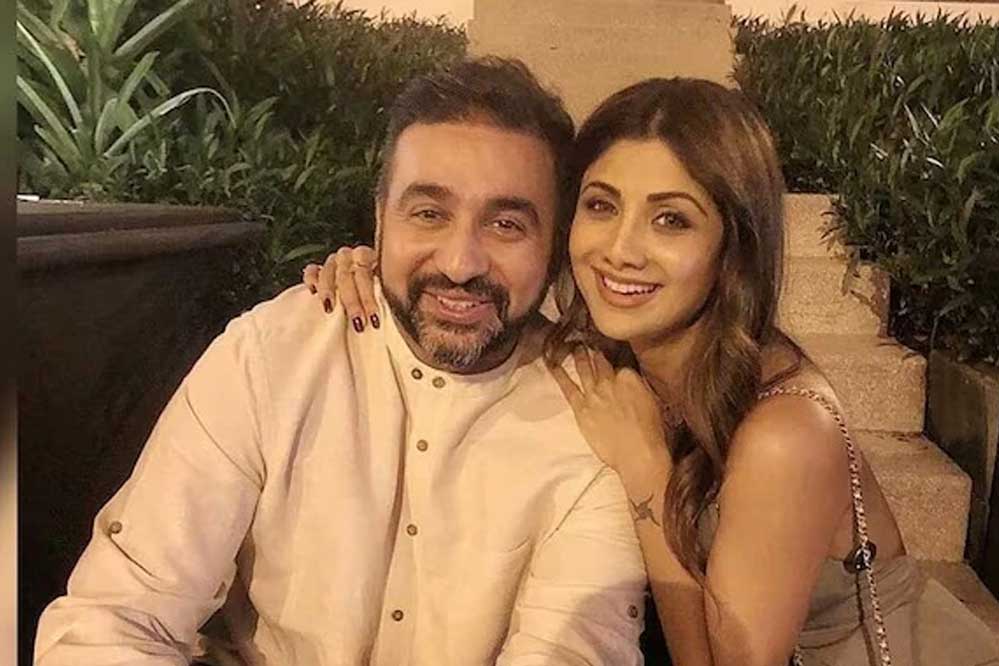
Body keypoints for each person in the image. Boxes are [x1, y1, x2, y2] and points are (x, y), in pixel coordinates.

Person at [304, 78, 999, 665]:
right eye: (601, 206)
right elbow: (477, 287)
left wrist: (648, 478)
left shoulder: (785, 432)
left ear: (731, 247)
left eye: (671, 220)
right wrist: (379, 268)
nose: (620, 249)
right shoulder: (613, 355)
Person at [33, 58, 650, 666]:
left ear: (555, 243)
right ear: (380, 219)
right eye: (428, 214)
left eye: (506, 224)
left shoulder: (591, 418)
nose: (460, 263)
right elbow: (117, 616)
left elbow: (575, 651)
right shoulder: (272, 357)